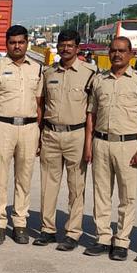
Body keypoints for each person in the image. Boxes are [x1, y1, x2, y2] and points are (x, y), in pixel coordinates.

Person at [82, 37, 137, 261]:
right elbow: (91, 115)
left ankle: (122, 240)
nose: (117, 55)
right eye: (113, 51)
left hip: (128, 144)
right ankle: (103, 237)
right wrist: (88, 144)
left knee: (127, 196)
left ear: (131, 54)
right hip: (101, 142)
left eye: (122, 51)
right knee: (101, 194)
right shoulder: (99, 79)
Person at [0, 25, 43, 245]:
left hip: (29, 127)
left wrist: (40, 133)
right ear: (6, 44)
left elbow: (40, 103)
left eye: (21, 42)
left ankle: (19, 223)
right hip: (2, 126)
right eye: (12, 42)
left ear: (27, 43)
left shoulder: (37, 69)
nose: (17, 46)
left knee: (24, 177)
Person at [37, 29, 96, 250]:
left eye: (70, 45)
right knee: (48, 185)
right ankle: (48, 229)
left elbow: (92, 110)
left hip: (77, 135)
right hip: (51, 134)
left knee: (76, 186)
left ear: (77, 48)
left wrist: (89, 141)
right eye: (62, 45)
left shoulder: (90, 73)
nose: (65, 48)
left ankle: (73, 232)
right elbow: (41, 105)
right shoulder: (48, 73)